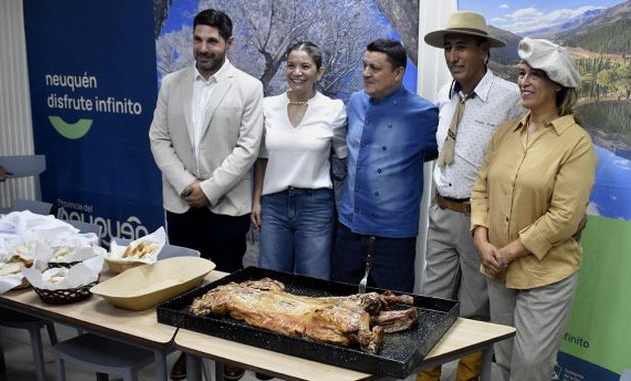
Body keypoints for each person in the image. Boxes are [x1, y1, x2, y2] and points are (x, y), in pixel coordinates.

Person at [470, 37, 596, 381]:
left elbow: (565, 217)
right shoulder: (505, 133)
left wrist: (508, 251)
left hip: (545, 275)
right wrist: (482, 241)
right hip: (497, 268)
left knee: (531, 369)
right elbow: (481, 190)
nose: (523, 82)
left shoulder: (576, 143)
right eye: (521, 73)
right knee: (506, 362)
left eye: (534, 75)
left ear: (556, 84)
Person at [148, 9, 263, 381]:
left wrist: (209, 189)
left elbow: (247, 149)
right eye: (197, 39)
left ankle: (229, 350)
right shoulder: (171, 83)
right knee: (185, 283)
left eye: (212, 41)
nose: (203, 48)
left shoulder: (248, 87)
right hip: (181, 203)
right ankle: (188, 350)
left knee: (227, 284)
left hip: (226, 205)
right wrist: (187, 185)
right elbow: (158, 139)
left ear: (228, 43)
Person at [417, 11, 525, 381]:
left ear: (484, 51)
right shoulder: (444, 97)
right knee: (431, 302)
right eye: (448, 48)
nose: (452, 56)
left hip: (480, 221)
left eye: (461, 47)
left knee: (476, 308)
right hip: (442, 211)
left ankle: (467, 377)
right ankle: (427, 375)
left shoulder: (510, 100)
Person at [331, 39, 438, 293]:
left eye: (375, 68)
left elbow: (431, 153)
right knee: (338, 303)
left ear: (399, 73)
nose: (366, 73)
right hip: (350, 226)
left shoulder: (424, 113)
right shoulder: (356, 102)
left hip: (394, 234)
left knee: (393, 308)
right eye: (365, 65)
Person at [252, 41, 347, 280]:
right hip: (274, 205)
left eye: (305, 66)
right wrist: (257, 201)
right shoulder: (268, 106)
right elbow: (262, 158)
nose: (297, 72)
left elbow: (344, 158)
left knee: (314, 284)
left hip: (316, 206)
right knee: (269, 283)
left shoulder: (333, 110)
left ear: (319, 72)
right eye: (291, 65)